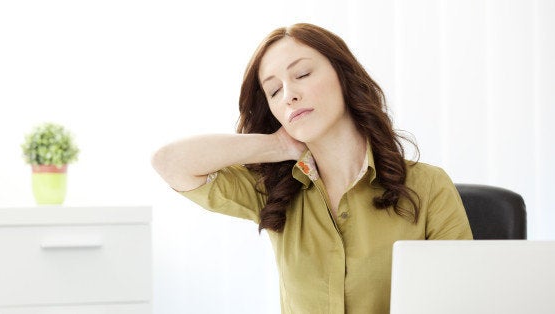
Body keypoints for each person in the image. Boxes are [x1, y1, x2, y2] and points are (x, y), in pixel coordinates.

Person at [151, 23, 472, 314]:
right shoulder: (274, 191)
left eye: (302, 74)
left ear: (343, 76)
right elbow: (170, 162)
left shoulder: (429, 186)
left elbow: (463, 301)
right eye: (274, 91)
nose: (289, 94)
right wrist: (276, 146)